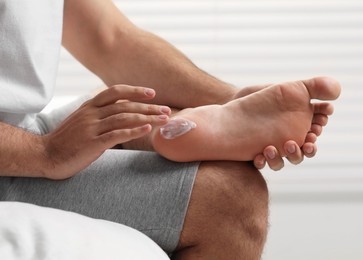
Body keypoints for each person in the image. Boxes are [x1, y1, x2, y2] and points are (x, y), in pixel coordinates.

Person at [0, 0, 341, 259]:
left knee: (140, 113)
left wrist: (229, 101)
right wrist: (45, 152)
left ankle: (217, 117)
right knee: (231, 198)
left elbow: (111, 39)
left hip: (23, 127)